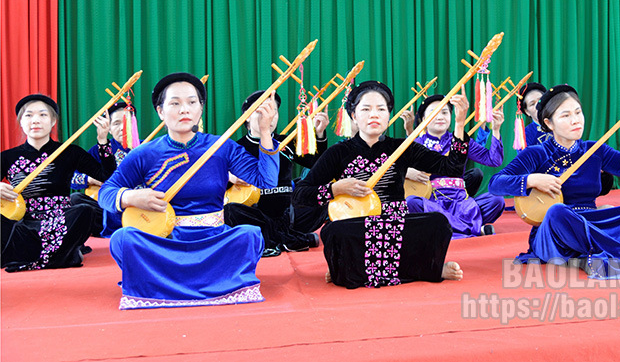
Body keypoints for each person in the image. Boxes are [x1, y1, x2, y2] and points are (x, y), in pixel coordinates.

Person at [97, 73, 279, 309]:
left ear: (200, 109)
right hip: (166, 242)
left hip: (213, 239)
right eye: (175, 103)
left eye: (192, 102)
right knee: (122, 240)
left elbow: (266, 180)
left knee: (250, 235)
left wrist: (265, 133)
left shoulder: (221, 146)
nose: (185, 109)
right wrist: (130, 196)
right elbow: (106, 193)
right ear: (161, 112)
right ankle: (215, 281)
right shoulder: (145, 153)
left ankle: (163, 284)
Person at [489, 85, 620, 279]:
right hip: (554, 231)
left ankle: (595, 254)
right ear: (549, 123)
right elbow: (495, 183)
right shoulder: (537, 153)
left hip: (591, 222)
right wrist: (532, 179)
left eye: (578, 112)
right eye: (565, 116)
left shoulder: (594, 150)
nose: (575, 120)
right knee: (557, 211)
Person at [293, 81, 466, 289]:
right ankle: (425, 268)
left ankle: (355, 268)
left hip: (396, 223)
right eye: (366, 109)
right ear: (354, 115)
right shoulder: (338, 152)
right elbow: (300, 195)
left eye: (381, 109)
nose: (374, 114)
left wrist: (460, 123)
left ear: (388, 116)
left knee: (438, 222)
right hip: (357, 225)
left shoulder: (402, 147)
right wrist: (335, 189)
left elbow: (452, 167)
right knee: (334, 231)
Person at [1, 95, 116, 272]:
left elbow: (107, 177)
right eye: (29, 115)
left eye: (43, 115)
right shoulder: (7, 157)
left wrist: (102, 141)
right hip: (23, 224)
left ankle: (24, 254)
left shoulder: (70, 152)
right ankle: (60, 254)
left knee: (84, 211)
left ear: (53, 121)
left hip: (60, 220)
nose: (35, 120)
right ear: (21, 122)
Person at [225, 91, 329, 254]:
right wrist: (229, 178)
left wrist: (320, 133)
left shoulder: (285, 142)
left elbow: (317, 164)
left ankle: (275, 238)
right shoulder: (236, 148)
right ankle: (287, 238)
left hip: (290, 215)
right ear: (246, 117)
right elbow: (213, 181)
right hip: (256, 215)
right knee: (230, 211)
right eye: (262, 111)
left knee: (324, 197)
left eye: (273, 111)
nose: (269, 117)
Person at [405, 94, 505, 238]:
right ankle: (474, 228)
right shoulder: (416, 144)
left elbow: (493, 160)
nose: (440, 117)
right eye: (434, 112)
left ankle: (446, 228)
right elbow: (391, 169)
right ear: (422, 119)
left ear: (452, 117)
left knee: (496, 200)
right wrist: (407, 172)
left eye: (445, 112)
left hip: (462, 201)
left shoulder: (461, 140)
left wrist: (496, 129)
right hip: (433, 201)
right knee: (411, 202)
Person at [518, 82, 614, 196]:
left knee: (603, 175)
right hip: (546, 176)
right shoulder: (525, 133)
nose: (537, 106)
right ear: (527, 111)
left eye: (539, 101)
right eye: (532, 104)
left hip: (570, 169)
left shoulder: (563, 124)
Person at [70, 101, 138, 238]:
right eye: (117, 123)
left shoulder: (145, 147)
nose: (122, 128)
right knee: (75, 199)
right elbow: (71, 178)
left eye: (127, 123)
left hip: (138, 207)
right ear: (110, 129)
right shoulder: (98, 150)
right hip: (108, 210)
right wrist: (91, 179)